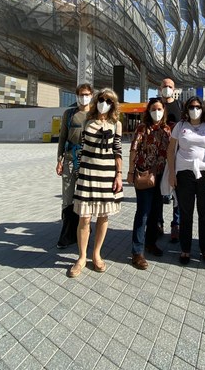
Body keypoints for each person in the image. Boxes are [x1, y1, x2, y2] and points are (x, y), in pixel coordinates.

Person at [68, 88, 124, 277]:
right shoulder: (87, 122)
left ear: (113, 104)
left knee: (103, 216)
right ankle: (81, 257)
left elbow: (118, 151)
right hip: (87, 174)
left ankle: (96, 254)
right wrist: (77, 171)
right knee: (84, 217)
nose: (104, 103)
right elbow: (81, 149)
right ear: (96, 100)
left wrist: (119, 175)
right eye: (101, 99)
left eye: (108, 101)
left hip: (107, 174)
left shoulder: (116, 124)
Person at [167, 96, 205, 266]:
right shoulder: (180, 126)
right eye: (191, 107)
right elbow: (171, 151)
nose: (194, 109)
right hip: (184, 173)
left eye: (198, 106)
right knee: (186, 213)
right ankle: (185, 249)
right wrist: (171, 173)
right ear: (186, 109)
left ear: (203, 109)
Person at [127, 97, 172, 269]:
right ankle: (137, 251)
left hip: (160, 176)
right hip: (144, 175)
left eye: (160, 109)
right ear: (148, 111)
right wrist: (130, 172)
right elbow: (133, 149)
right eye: (153, 109)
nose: (157, 112)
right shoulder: (142, 128)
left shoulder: (167, 130)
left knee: (156, 212)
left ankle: (151, 242)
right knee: (143, 212)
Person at [55, 82, 93, 249]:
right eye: (81, 94)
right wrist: (59, 159)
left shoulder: (95, 114)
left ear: (91, 95)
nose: (83, 97)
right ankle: (67, 232)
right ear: (77, 95)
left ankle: (84, 230)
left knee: (85, 197)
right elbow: (62, 137)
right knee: (68, 196)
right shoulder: (69, 114)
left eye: (86, 94)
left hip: (89, 161)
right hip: (70, 160)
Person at [159, 78, 182, 243]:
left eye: (170, 86)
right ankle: (158, 223)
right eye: (164, 86)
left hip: (177, 154)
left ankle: (177, 224)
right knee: (158, 191)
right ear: (160, 88)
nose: (167, 88)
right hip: (158, 155)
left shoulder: (180, 106)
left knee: (177, 191)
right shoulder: (155, 105)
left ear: (174, 89)